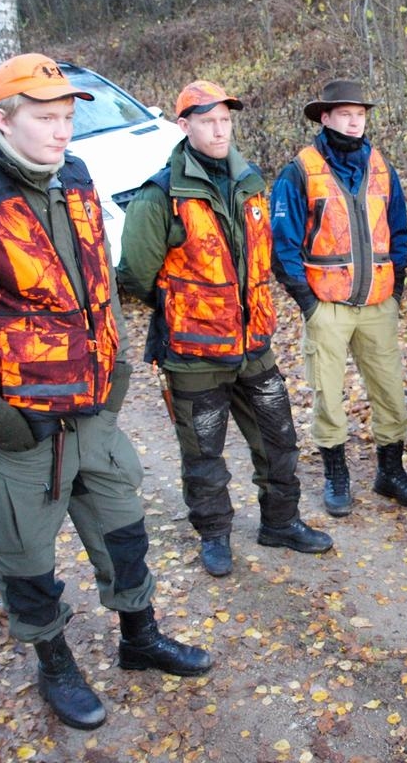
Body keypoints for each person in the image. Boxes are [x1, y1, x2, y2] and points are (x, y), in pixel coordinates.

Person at [0, 53, 210, 731]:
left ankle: (139, 638)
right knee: (26, 557)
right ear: (3, 119)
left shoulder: (74, 174)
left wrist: (118, 364)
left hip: (93, 409)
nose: (62, 131)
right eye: (45, 118)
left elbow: (96, 282)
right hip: (21, 423)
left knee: (124, 532)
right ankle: (56, 665)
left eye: (68, 116)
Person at [117, 80, 333, 578]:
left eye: (225, 120)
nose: (219, 130)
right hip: (194, 354)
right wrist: (189, 306)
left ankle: (282, 521)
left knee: (279, 439)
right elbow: (135, 275)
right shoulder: (161, 195)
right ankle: (214, 535)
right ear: (184, 125)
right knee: (204, 452)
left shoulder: (250, 182)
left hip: (255, 344)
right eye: (208, 120)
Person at [270, 79, 407, 517]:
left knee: (390, 392)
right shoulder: (299, 171)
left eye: (360, 113)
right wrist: (308, 303)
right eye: (344, 113)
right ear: (325, 117)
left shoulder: (381, 167)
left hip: (379, 304)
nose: (354, 121)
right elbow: (281, 245)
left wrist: (396, 290)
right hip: (327, 307)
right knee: (328, 394)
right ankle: (336, 475)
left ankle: (390, 472)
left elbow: (399, 231)